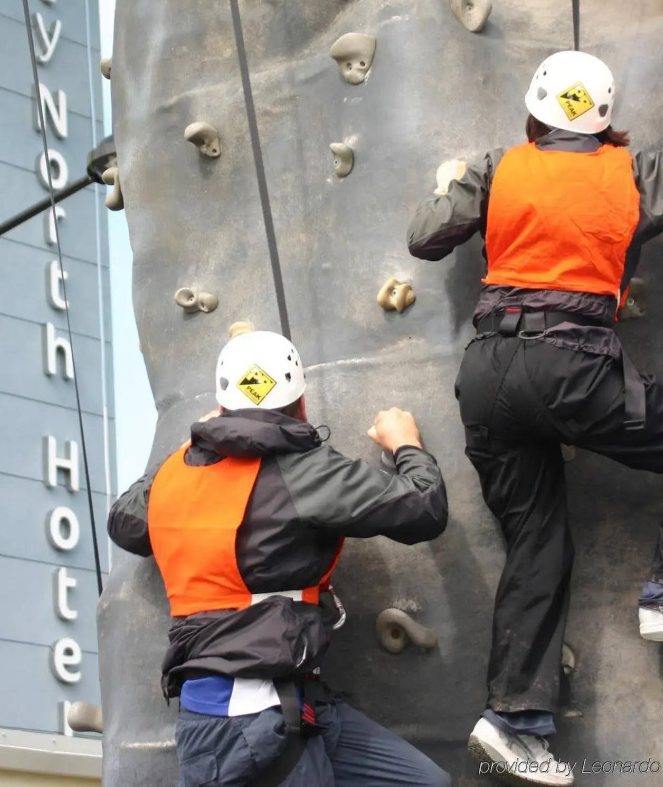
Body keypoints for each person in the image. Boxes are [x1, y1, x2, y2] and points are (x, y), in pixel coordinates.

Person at [406, 50, 663, 787]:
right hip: (576, 368)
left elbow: (425, 236)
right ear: (604, 118)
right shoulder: (637, 173)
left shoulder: (497, 168)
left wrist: (451, 182)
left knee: (537, 542)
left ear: (535, 109)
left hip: (489, 374)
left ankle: (514, 720)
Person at [108, 328, 451, 787]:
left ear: (222, 406)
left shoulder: (175, 473)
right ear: (301, 404)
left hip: (284, 702)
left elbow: (124, 522)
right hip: (247, 720)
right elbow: (424, 508)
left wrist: (189, 446)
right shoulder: (305, 471)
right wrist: (405, 444)